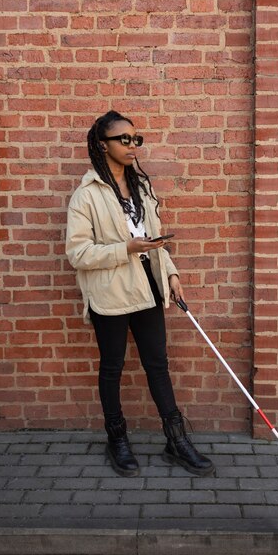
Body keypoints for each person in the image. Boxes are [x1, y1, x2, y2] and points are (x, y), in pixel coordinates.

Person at [66, 110, 214, 478]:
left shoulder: (142, 189)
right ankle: (117, 440)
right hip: (111, 294)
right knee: (112, 367)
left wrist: (173, 274)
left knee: (157, 365)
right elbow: (78, 253)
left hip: (149, 288)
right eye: (124, 139)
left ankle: (176, 440)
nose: (133, 146)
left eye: (137, 139)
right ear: (103, 146)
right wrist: (126, 249)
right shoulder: (86, 195)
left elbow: (156, 241)